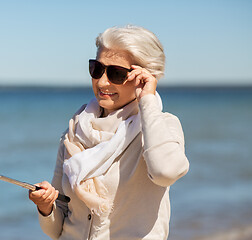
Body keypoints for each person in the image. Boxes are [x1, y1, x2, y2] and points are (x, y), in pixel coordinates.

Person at [29, 24, 189, 240]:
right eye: (97, 69)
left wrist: (148, 100)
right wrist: (45, 207)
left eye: (116, 73)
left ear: (143, 76)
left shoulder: (162, 126)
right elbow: (56, 230)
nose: (102, 82)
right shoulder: (75, 130)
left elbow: (165, 173)